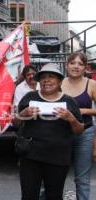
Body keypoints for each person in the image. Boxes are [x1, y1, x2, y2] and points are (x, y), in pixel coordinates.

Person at [14, 63, 84, 200]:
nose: (46, 80)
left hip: (58, 158)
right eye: (43, 77)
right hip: (30, 157)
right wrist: (23, 113)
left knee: (54, 196)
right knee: (28, 196)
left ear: (59, 81)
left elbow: (79, 130)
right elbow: (16, 123)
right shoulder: (29, 97)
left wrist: (71, 119)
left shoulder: (69, 101)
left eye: (51, 77)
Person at [61, 52, 96, 200]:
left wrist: (83, 111)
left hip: (85, 134)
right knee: (55, 175)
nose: (76, 66)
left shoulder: (92, 84)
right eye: (72, 63)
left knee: (82, 179)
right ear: (66, 65)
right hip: (60, 134)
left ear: (85, 68)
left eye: (80, 64)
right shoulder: (59, 82)